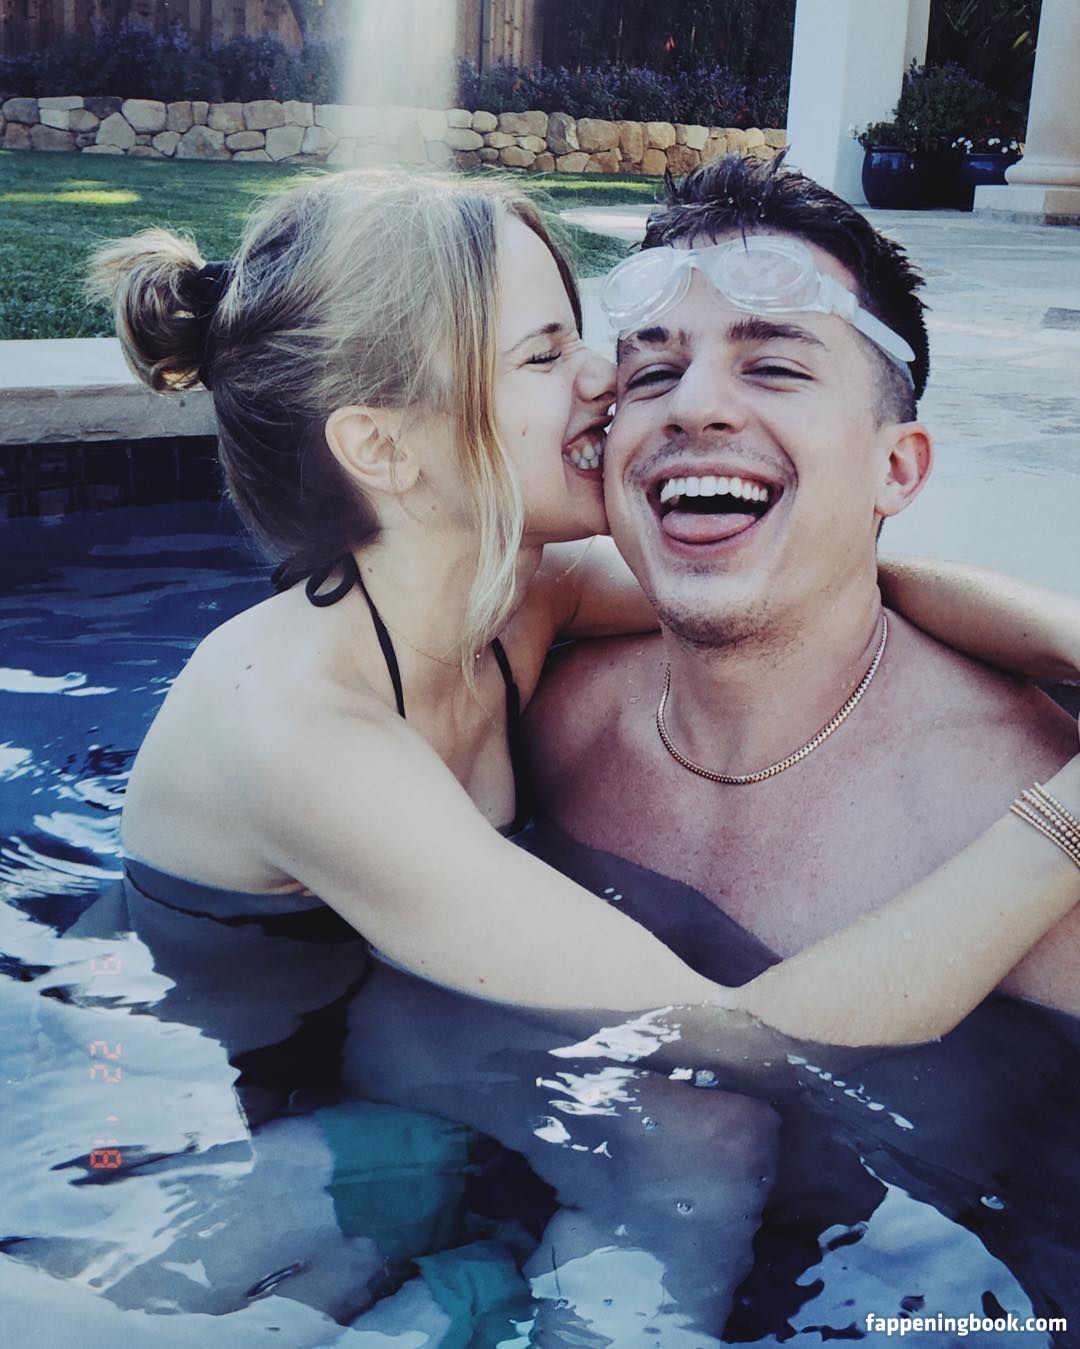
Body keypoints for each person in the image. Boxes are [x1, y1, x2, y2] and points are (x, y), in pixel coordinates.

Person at [81, 168, 1080, 1337]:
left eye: (582, 340)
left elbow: (838, 569)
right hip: (209, 1093)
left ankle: (485, 1284)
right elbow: (742, 1036)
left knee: (685, 1137)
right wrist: (1063, 824)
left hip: (399, 1015)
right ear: (385, 446)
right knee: (695, 1123)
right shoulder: (297, 725)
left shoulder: (519, 601)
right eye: (548, 353)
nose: (611, 379)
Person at [521, 152, 1080, 1336]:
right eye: (651, 371)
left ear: (896, 467)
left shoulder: (1023, 799)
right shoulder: (549, 716)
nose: (693, 406)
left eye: (773, 364)